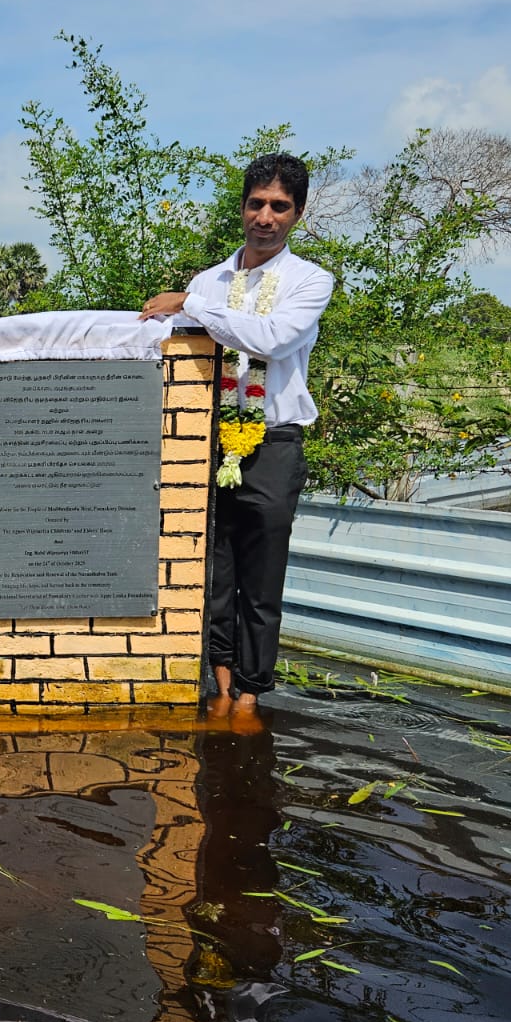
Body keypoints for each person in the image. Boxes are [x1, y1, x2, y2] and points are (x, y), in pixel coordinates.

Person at [138, 152, 333, 731]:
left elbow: (270, 339)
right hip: (206, 439)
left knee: (262, 576)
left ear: (298, 213)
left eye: (280, 207)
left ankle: (250, 696)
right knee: (213, 571)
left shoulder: (309, 280)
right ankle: (219, 685)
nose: (265, 217)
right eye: (256, 204)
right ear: (242, 206)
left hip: (273, 440)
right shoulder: (210, 281)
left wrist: (191, 305)